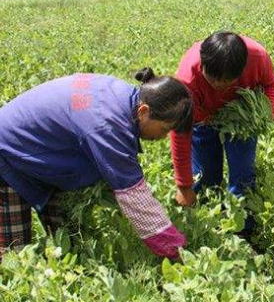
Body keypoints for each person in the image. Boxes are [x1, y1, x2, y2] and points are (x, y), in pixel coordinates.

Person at [0, 69, 193, 260]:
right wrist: (177, 252)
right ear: (144, 111)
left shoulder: (122, 94)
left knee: (75, 241)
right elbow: (135, 197)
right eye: (165, 129)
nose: (163, 136)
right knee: (15, 256)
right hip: (8, 154)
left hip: (44, 154)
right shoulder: (108, 125)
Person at [171, 31, 274, 237]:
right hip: (201, 119)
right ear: (202, 66)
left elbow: (270, 83)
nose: (220, 86)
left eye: (228, 81)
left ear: (242, 70)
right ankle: (206, 229)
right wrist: (184, 186)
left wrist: (266, 114)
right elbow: (180, 131)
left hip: (241, 118)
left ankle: (243, 232)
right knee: (205, 178)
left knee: (243, 175)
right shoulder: (186, 80)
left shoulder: (257, 58)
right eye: (213, 80)